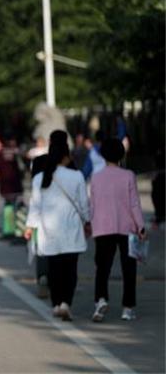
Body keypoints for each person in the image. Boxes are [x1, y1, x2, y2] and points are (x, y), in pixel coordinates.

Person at [25, 130, 90, 321]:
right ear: (67, 152)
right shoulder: (76, 176)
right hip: (71, 230)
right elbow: (84, 205)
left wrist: (30, 226)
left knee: (54, 269)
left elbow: (34, 205)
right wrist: (88, 222)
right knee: (70, 269)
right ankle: (65, 303)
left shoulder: (40, 178)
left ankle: (55, 304)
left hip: (49, 230)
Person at [89, 138, 146, 322]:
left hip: (103, 228)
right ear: (121, 154)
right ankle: (127, 308)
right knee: (129, 269)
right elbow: (134, 204)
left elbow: (93, 205)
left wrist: (91, 225)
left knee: (102, 269)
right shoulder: (128, 175)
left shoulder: (96, 178)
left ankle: (100, 302)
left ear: (103, 155)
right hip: (126, 228)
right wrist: (141, 226)